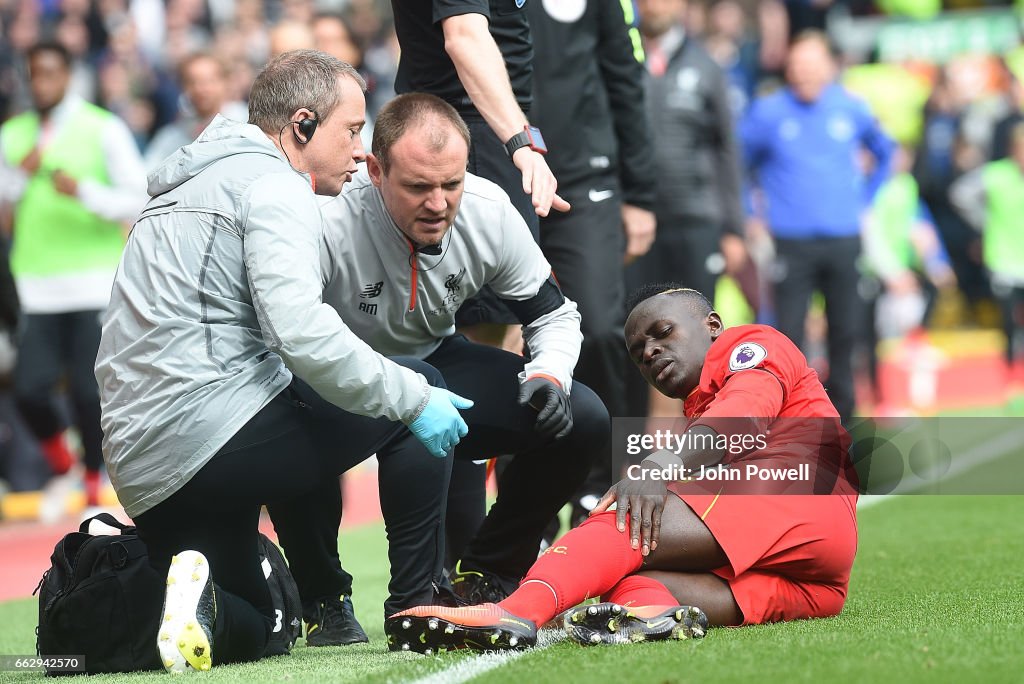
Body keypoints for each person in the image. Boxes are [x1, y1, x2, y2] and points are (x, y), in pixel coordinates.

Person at [95, 50, 471, 672]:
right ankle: (415, 606)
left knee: (258, 624)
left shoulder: (182, 188)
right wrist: (413, 398)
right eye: (351, 131)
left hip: (144, 470)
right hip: (212, 434)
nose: (359, 151)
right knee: (416, 386)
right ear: (300, 127)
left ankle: (200, 593)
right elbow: (300, 332)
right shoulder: (275, 184)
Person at [268, 93, 609, 647]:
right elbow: (287, 336)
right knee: (357, 400)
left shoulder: (489, 209)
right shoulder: (325, 218)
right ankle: (328, 599)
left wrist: (548, 374)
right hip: (330, 375)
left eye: (450, 184)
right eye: (418, 187)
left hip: (432, 358)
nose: (438, 203)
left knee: (584, 416)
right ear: (375, 171)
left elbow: (553, 314)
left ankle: (486, 575)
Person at [384, 284, 858, 653]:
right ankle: (646, 612)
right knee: (618, 581)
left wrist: (656, 467)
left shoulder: (750, 344)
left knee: (627, 517)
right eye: (638, 351)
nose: (649, 352)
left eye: (663, 333)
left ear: (712, 324)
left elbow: (744, 415)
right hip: (814, 581)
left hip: (800, 497)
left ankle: (514, 611)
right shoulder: (701, 402)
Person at [0, 41, 147, 507]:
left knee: (89, 390)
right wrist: (19, 179)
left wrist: (82, 190)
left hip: (93, 279)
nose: (41, 82)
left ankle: (91, 477)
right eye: (34, 73)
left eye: (50, 73)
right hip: (36, 283)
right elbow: (4, 202)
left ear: (68, 76)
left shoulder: (102, 128)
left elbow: (137, 197)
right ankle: (62, 461)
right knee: (28, 390)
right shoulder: (13, 133)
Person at [526, 0, 656, 525]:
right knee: (516, 340)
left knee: (602, 330)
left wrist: (640, 192)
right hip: (511, 171)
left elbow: (626, 78)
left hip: (586, 179)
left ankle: (610, 481)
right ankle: (529, 505)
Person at [740, 30, 894, 423]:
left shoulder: (851, 107)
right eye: (797, 65)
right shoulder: (768, 112)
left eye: (812, 65)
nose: (805, 73)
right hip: (792, 242)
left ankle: (846, 424)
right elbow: (738, 164)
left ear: (829, 66)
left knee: (847, 332)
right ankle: (793, 422)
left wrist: (867, 197)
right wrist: (748, 212)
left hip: (844, 238)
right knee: (790, 337)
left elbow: (885, 150)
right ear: (788, 68)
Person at [626, 0, 747, 422]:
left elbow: (727, 151)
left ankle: (708, 442)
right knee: (638, 337)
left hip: (697, 220)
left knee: (697, 341)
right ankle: (640, 454)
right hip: (633, 220)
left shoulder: (706, 65)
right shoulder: (619, 56)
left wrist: (734, 228)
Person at [950, 123, 1024, 374]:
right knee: (1009, 324)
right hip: (1004, 260)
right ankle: (1011, 377)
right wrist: (985, 222)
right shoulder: (996, 174)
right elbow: (960, 195)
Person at [143, 52, 248, 172]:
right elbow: (147, 175)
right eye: (192, 82)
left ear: (225, 83)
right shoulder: (172, 136)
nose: (201, 89)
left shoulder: (247, 122)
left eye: (209, 81)